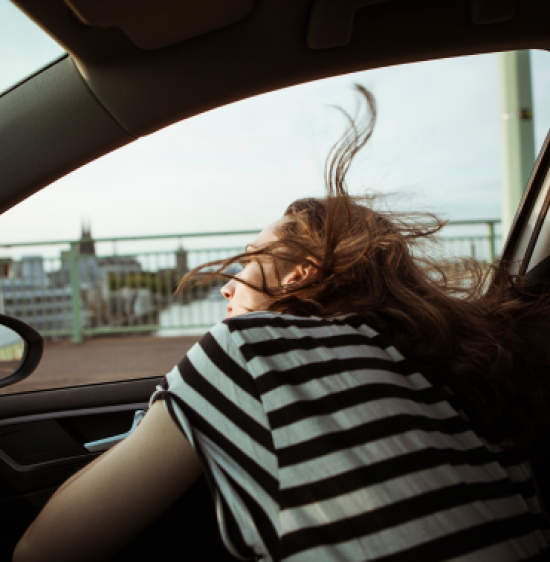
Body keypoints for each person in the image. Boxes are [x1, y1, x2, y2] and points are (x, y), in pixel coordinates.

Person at [14, 87, 550, 561]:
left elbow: (43, 551)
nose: (228, 283)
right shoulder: (457, 371)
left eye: (248, 260)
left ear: (300, 273)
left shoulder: (254, 347)